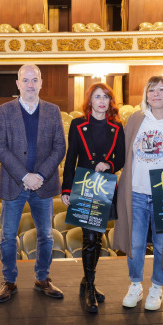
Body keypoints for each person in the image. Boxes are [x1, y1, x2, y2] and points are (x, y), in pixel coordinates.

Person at [113, 76, 163, 311]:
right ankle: (135, 285)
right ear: (146, 95)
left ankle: (157, 287)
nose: (156, 94)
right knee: (134, 243)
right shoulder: (137, 119)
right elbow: (121, 151)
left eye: (161, 90)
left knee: (161, 244)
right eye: (151, 90)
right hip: (135, 191)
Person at [0, 64, 67, 303]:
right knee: (7, 236)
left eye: (34, 80)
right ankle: (9, 281)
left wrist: (40, 176)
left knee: (46, 235)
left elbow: (59, 148)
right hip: (15, 183)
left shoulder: (53, 111)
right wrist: (25, 176)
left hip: (43, 185)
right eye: (25, 80)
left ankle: (42, 278)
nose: (30, 85)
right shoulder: (4, 111)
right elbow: (0, 148)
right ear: (17, 84)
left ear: (41, 82)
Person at [61, 83, 125, 313]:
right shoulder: (78, 125)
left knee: (97, 238)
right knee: (89, 238)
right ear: (90, 100)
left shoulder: (117, 127)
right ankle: (90, 286)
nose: (101, 101)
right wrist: (66, 190)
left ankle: (87, 278)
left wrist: (109, 164)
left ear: (110, 101)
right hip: (84, 185)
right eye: (97, 96)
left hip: (105, 186)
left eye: (105, 97)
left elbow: (122, 158)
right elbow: (71, 158)